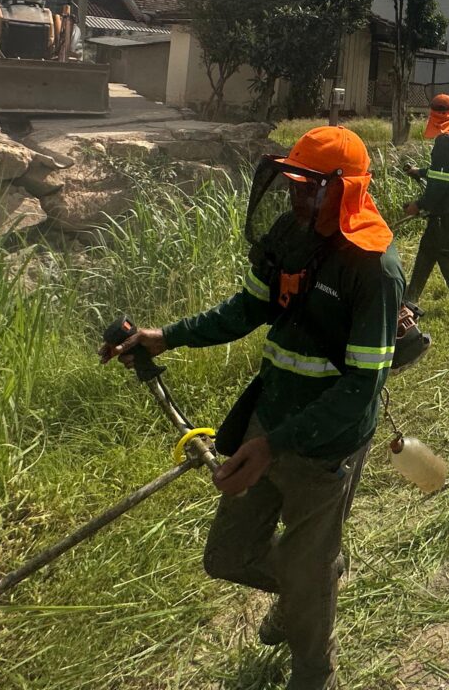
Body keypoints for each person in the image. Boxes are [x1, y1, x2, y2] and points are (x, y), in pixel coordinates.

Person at [102, 126, 401, 690]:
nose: (294, 197)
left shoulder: (374, 269)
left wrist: (274, 446)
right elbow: (246, 308)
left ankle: (314, 672)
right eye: (291, 183)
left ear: (345, 191)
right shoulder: (291, 235)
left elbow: (361, 388)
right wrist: (165, 336)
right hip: (270, 418)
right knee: (228, 556)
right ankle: (313, 582)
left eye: (309, 188)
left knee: (306, 570)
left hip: (324, 446)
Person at [405, 93, 449, 309]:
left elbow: (441, 181)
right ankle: (409, 299)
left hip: (444, 207)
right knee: (428, 251)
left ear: (434, 114)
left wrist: (420, 205)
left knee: (448, 254)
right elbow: (448, 171)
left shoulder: (444, 140)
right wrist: (420, 171)